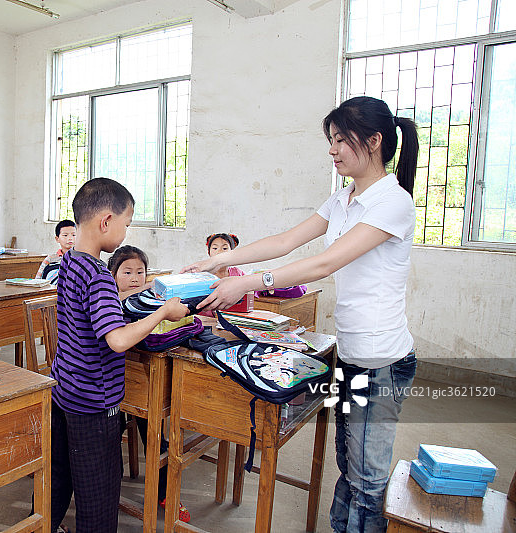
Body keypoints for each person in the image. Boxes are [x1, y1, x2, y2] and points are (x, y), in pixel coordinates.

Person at [182, 96, 419, 533]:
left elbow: (324, 264)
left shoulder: (393, 202)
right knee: (348, 465)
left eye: (341, 140)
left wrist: (244, 282)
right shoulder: (344, 198)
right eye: (330, 141)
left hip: (382, 360)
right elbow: (286, 240)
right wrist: (222, 260)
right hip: (351, 351)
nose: (332, 150)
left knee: (368, 478)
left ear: (374, 141)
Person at [51, 177, 188, 533]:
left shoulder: (69, 263)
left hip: (65, 391)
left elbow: (84, 321)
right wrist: (162, 312)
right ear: (106, 221)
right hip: (94, 403)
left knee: (63, 478)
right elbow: (116, 340)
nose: (126, 232)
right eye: (127, 223)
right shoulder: (98, 275)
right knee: (98, 498)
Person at [107, 245, 191, 523]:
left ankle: (165, 490)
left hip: (142, 376)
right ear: (112, 274)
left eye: (140, 272)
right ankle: (109, 490)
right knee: (112, 434)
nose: (134, 278)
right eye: (127, 272)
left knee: (155, 431)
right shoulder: (108, 300)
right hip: (110, 384)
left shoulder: (147, 299)